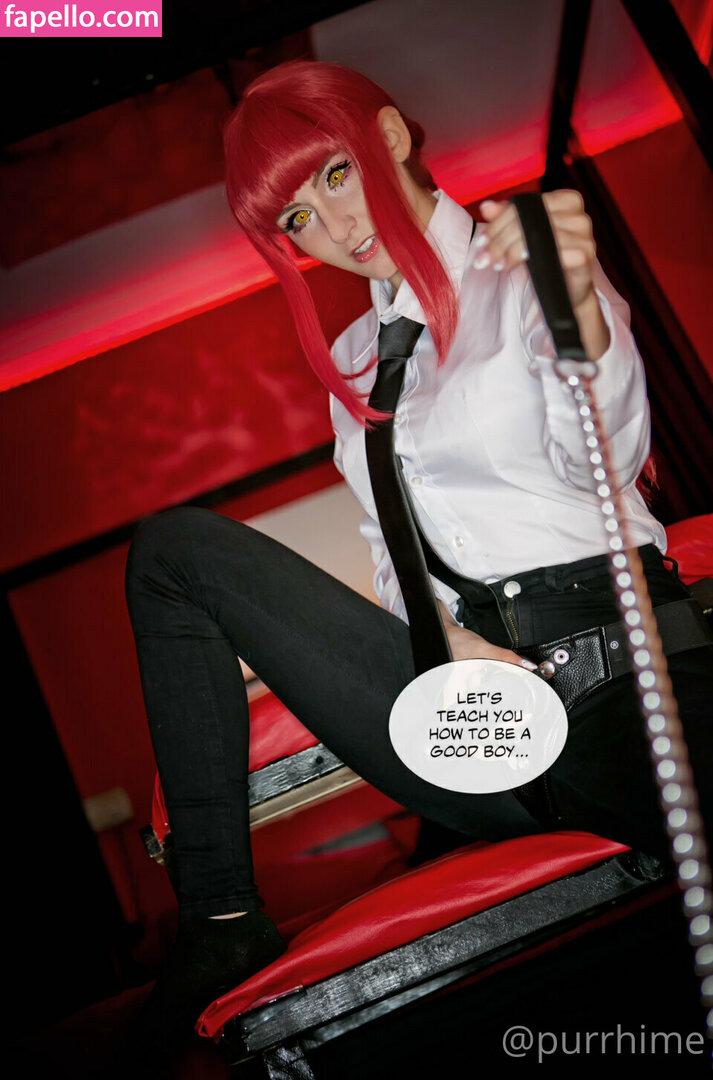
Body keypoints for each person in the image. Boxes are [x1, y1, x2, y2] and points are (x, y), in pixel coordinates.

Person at [123, 60, 712, 1065]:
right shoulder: (353, 367)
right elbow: (396, 561)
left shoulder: (520, 266)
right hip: (478, 720)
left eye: (336, 175)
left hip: (616, 671)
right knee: (173, 553)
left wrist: (578, 311)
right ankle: (219, 921)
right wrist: (441, 635)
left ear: (389, 137)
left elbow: (603, 461)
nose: (333, 226)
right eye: (297, 220)